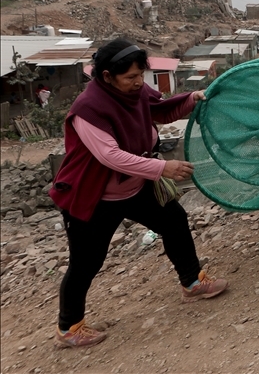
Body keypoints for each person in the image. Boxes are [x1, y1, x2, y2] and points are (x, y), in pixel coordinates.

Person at [49, 38, 228, 348]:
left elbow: (160, 109)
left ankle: (192, 282)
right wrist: (162, 168)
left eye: (140, 75)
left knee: (174, 221)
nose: (138, 83)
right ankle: (69, 327)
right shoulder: (87, 109)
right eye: (130, 77)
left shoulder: (135, 92)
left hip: (134, 186)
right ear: (107, 77)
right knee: (86, 262)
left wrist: (193, 98)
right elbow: (110, 156)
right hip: (94, 196)